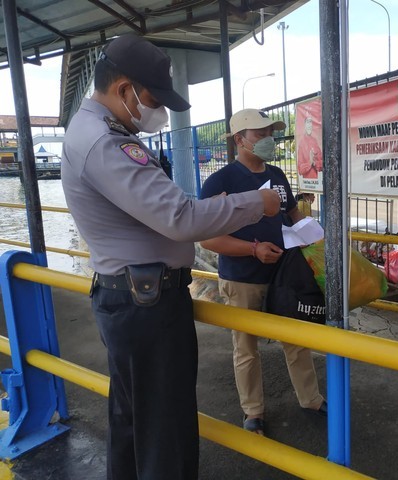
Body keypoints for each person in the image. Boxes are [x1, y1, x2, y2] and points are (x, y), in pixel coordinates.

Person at [61, 35, 281, 480]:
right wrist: (258, 202)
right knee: (167, 429)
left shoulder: (101, 132)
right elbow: (181, 217)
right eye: (153, 97)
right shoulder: (107, 143)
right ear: (124, 89)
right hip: (147, 307)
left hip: (131, 300)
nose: (158, 110)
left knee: (134, 422)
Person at [199, 108, 327, 436]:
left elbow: (292, 213)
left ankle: (311, 399)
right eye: (260, 134)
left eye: (271, 132)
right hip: (242, 277)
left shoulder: (278, 176)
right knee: (245, 346)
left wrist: (312, 233)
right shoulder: (221, 182)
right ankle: (253, 411)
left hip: (285, 275)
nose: (269, 139)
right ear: (239, 139)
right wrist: (253, 249)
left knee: (296, 340)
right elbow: (209, 238)